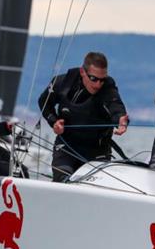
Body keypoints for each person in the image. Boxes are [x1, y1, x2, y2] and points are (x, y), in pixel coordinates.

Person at [39, 51, 129, 182]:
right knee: (62, 179)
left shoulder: (108, 87)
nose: (98, 84)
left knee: (94, 186)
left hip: (97, 151)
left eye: (102, 80)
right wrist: (54, 122)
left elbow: (115, 106)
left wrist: (121, 120)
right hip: (67, 146)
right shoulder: (63, 82)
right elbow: (44, 102)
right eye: (94, 78)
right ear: (82, 72)